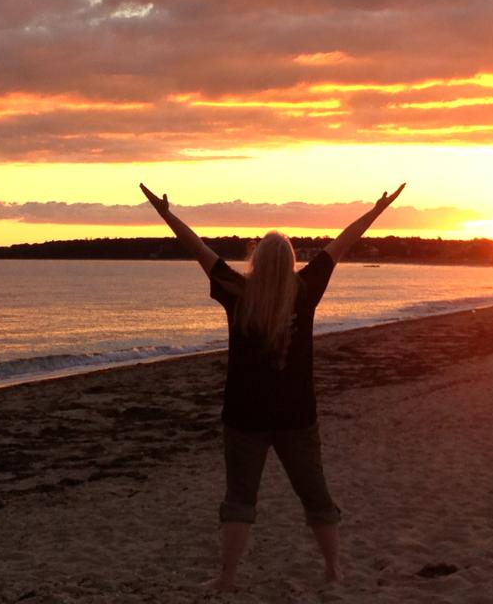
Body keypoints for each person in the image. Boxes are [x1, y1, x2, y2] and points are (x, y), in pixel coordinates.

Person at [140, 181, 405, 590]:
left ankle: (226, 579)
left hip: (244, 416)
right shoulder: (306, 288)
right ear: (291, 261)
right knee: (315, 495)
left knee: (240, 500)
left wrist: (166, 213)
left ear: (256, 261)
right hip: (297, 416)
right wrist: (377, 209)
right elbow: (344, 242)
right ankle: (334, 571)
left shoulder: (237, 290)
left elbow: (196, 248)